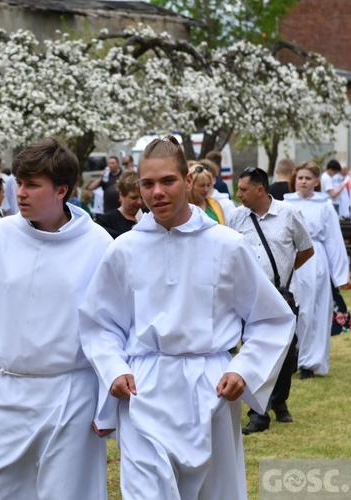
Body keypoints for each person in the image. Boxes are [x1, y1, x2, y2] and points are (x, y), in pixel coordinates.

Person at [79, 136, 295, 500]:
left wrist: (244, 369)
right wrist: (114, 369)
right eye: (148, 184)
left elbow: (270, 318)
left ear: (187, 180)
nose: (157, 192)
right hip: (144, 388)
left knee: (213, 491)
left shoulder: (226, 244)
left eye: (168, 181)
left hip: (209, 388)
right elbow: (100, 322)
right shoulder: (124, 249)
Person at [0, 138, 114, 499]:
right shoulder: (0, 238)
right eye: (18, 182)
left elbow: (111, 328)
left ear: (61, 190)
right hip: (4, 391)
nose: (19, 192)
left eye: (32, 185)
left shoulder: (98, 245)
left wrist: (107, 403)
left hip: (71, 395)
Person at [227, 167, 314, 434]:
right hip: (249, 300)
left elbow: (306, 249)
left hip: (284, 298)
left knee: (286, 357)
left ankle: (280, 402)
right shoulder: (236, 218)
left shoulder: (289, 214)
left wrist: (282, 278)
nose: (238, 194)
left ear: (260, 190)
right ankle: (258, 413)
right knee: (255, 353)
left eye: (243, 189)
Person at [284, 162, 350, 379]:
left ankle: (309, 362)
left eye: (308, 178)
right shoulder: (285, 204)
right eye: (300, 177)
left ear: (316, 181)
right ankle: (291, 357)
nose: (303, 182)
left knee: (313, 311)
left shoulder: (324, 205)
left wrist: (340, 274)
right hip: (291, 259)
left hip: (315, 260)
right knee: (293, 310)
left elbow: (334, 240)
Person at [95, 170, 143, 238]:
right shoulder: (105, 221)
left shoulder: (150, 215)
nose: (140, 202)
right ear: (121, 195)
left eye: (142, 197)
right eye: (134, 198)